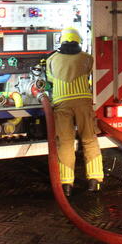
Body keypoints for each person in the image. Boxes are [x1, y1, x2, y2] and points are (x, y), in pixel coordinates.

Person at [46, 27, 103, 197]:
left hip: (62, 104)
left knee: (65, 143)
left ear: (61, 41)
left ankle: (66, 184)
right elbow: (87, 73)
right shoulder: (87, 58)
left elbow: (50, 78)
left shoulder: (52, 59)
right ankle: (95, 180)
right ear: (78, 41)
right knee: (89, 140)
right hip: (84, 104)